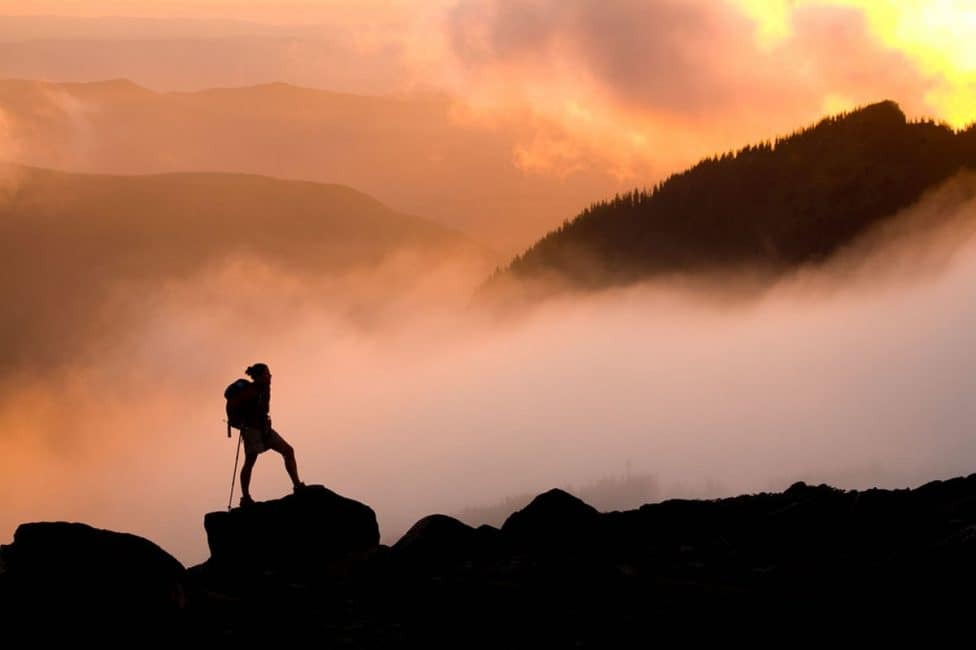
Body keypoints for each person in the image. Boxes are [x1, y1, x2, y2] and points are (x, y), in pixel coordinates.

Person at [233, 363, 305, 507]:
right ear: (259, 377)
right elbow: (249, 413)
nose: (270, 376)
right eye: (267, 374)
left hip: (264, 428)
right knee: (250, 462)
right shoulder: (251, 392)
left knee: (288, 450)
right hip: (252, 430)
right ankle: (245, 498)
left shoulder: (264, 388)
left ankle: (297, 485)